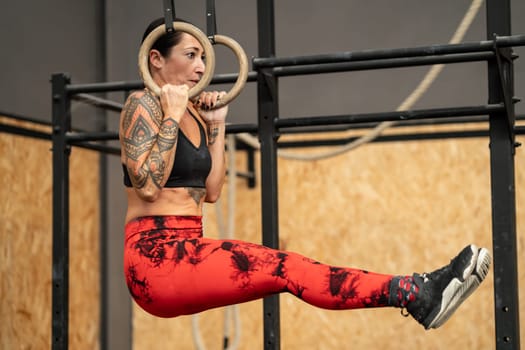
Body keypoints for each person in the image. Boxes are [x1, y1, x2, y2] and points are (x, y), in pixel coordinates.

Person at [119, 17, 491, 329]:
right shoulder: (143, 104)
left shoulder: (192, 114)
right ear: (156, 58)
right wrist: (170, 112)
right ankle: (415, 292)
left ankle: (418, 292)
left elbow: (212, 191)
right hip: (153, 260)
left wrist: (217, 124)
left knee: (288, 267)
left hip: (189, 247)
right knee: (287, 267)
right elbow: (149, 187)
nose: (202, 67)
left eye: (203, 57)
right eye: (191, 55)